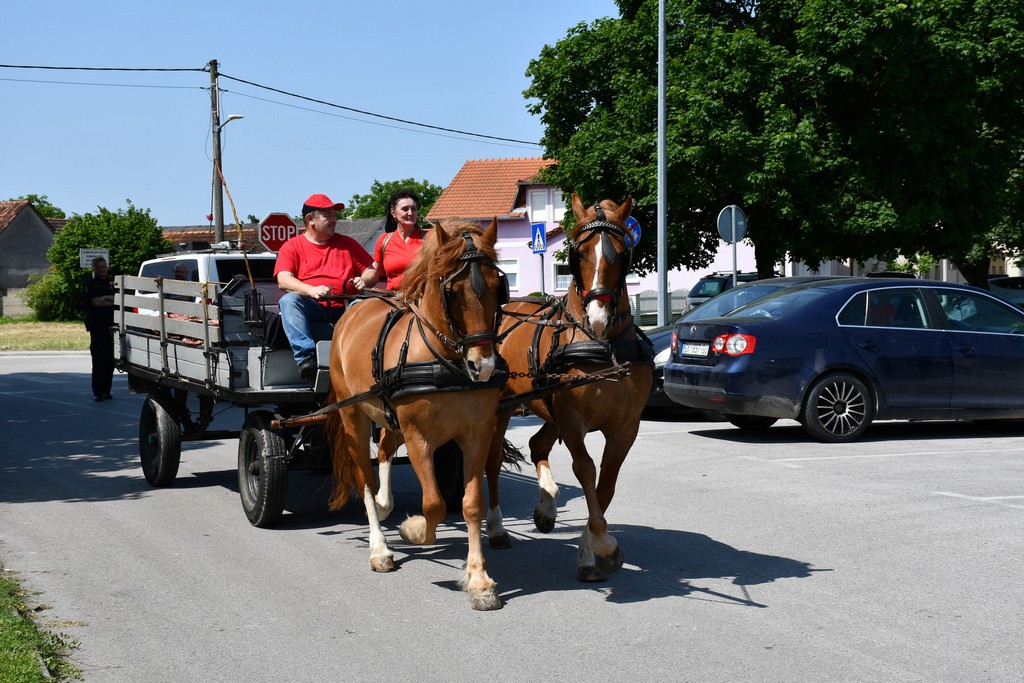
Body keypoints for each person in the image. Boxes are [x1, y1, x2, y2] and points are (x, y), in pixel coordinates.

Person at [274, 193, 378, 380]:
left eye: (334, 215)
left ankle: (364, 359)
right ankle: (306, 358)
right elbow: (283, 279)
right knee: (289, 301)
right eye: (328, 215)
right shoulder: (292, 246)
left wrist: (365, 280)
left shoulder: (348, 244)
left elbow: (371, 271)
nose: (334, 220)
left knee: (365, 307)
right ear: (310, 220)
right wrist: (311, 290)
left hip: (347, 307)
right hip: (313, 308)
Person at [371, 189, 425, 291]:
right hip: (393, 300)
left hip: (422, 299)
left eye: (413, 209)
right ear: (393, 212)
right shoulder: (384, 240)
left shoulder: (429, 238)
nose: (410, 213)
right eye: (405, 209)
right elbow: (374, 271)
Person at [83, 256, 116, 402]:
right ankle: (98, 391)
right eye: (99, 267)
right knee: (99, 359)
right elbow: (96, 302)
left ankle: (107, 390)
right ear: (94, 269)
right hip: (97, 326)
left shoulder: (111, 284)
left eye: (104, 266)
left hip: (111, 326)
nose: (102, 269)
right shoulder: (90, 284)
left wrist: (106, 299)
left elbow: (119, 300)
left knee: (110, 360)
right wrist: (110, 299)